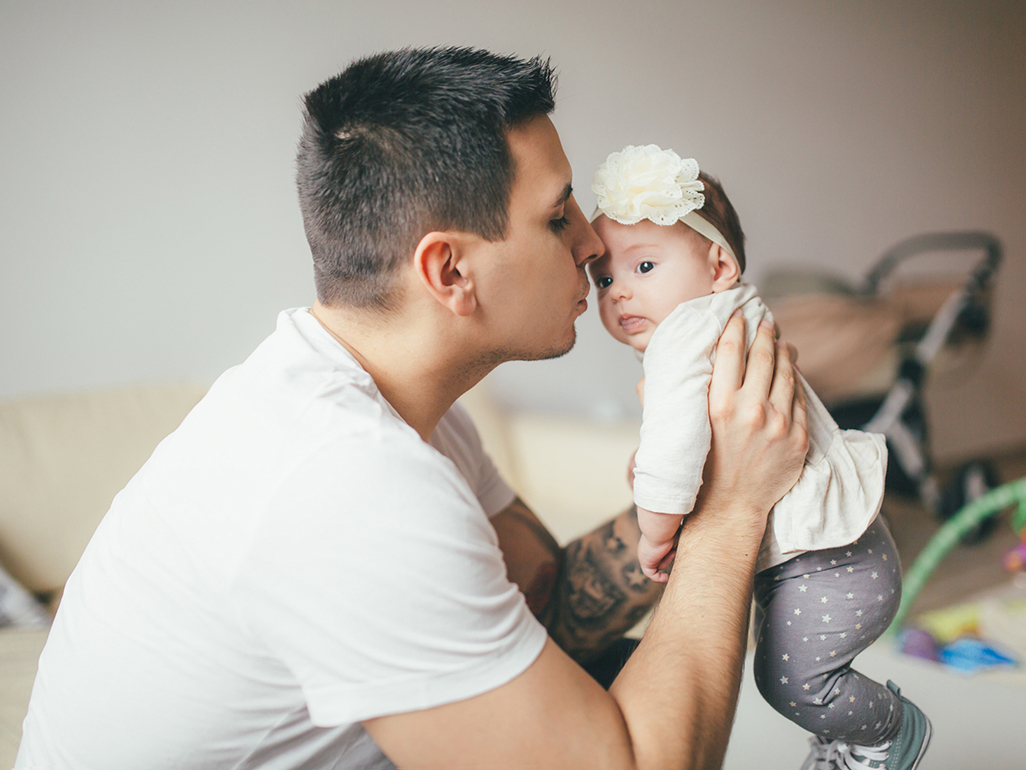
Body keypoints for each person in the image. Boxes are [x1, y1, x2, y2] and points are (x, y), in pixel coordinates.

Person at [16, 50, 808, 770]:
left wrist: (692, 482)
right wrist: (732, 512)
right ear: (450, 270)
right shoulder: (343, 477)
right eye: (557, 214)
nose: (593, 244)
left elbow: (551, 601)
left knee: (604, 677)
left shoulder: (386, 399)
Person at [588, 143, 932, 770]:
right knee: (791, 677)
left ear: (719, 264)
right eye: (605, 278)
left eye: (643, 267)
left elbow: (676, 451)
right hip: (843, 553)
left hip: (828, 566)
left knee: (790, 683)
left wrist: (655, 528)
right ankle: (849, 735)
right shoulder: (736, 314)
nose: (618, 294)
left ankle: (887, 731)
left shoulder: (684, 335)